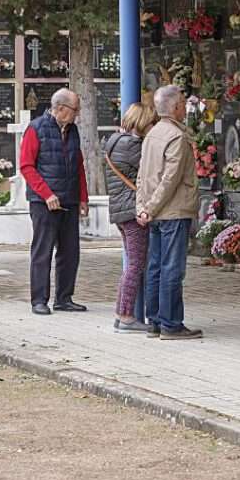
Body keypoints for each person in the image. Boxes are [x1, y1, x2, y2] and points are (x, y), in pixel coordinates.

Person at [136, 85, 202, 340]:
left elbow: (142, 176)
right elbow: (170, 179)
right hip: (173, 211)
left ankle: (153, 321)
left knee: (155, 267)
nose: (186, 108)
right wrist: (150, 207)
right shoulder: (177, 137)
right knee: (172, 269)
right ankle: (171, 324)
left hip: (153, 212)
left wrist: (142, 207)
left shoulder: (151, 134)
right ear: (175, 108)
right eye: (183, 104)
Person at [20, 88, 89, 316]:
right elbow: (27, 166)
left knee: (70, 252)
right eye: (75, 109)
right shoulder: (36, 128)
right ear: (60, 108)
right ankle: (39, 300)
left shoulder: (73, 130)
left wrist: (82, 197)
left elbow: (78, 165)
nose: (77, 114)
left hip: (68, 199)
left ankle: (64, 298)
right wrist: (46, 194)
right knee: (43, 251)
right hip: (44, 203)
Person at [103, 102, 157, 333]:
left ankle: (122, 314)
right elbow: (148, 173)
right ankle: (125, 315)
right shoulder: (134, 145)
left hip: (119, 209)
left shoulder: (114, 141)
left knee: (132, 263)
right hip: (132, 210)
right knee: (135, 265)